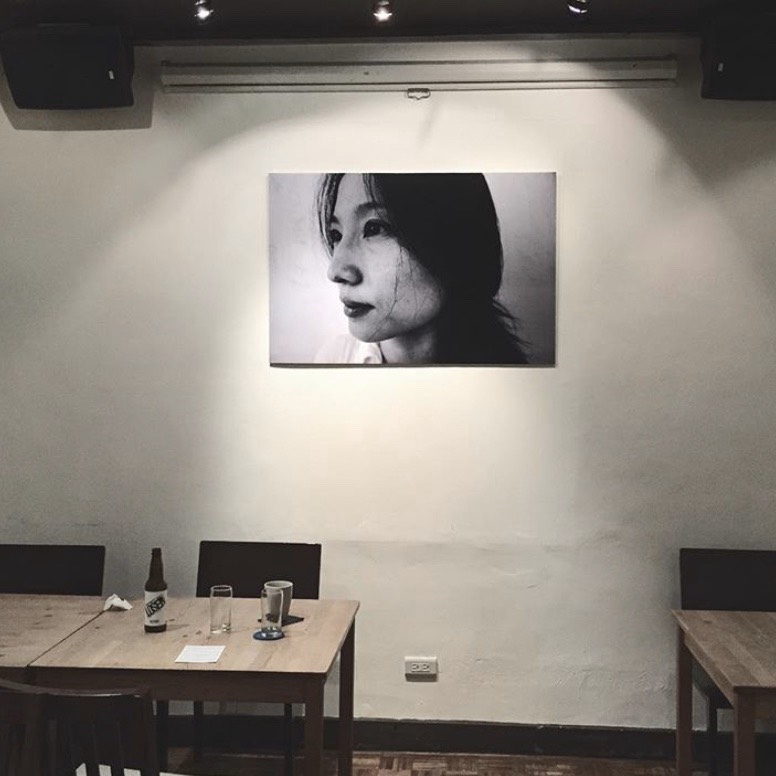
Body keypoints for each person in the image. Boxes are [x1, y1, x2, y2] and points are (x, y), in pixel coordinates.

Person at [313, 172, 529, 365]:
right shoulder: (335, 359)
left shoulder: (507, 378)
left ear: (458, 242)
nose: (336, 271)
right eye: (336, 235)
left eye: (374, 228)